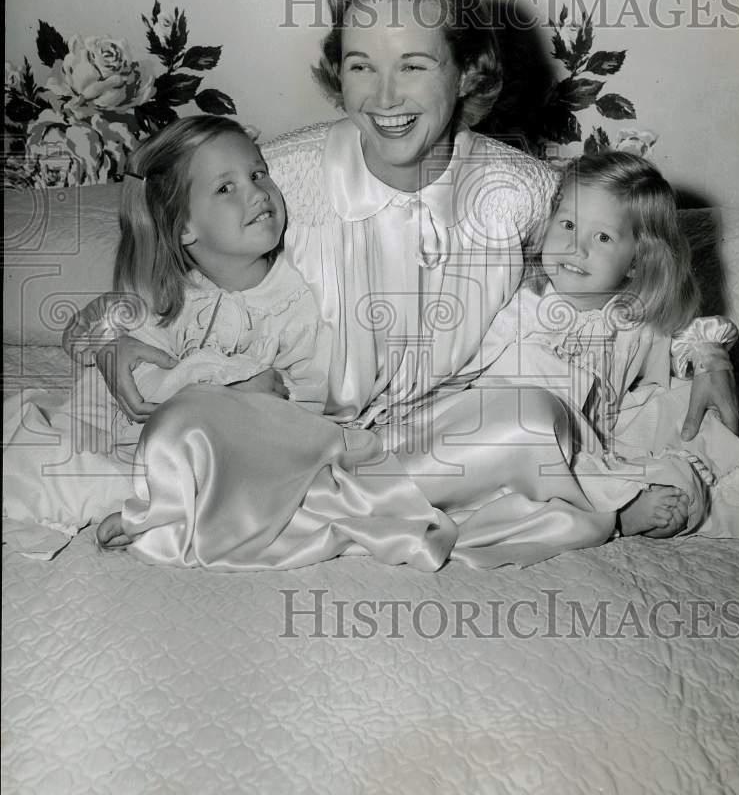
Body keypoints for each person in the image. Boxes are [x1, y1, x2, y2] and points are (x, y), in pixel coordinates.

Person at [63, 0, 739, 570]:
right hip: (296, 434)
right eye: (361, 65)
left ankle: (295, 507)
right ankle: (378, 503)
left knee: (534, 421)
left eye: (413, 66)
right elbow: (163, 259)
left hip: (440, 440)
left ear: (467, 71)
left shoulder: (522, 191)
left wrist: (706, 350)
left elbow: (633, 257)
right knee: (188, 423)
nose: (384, 98)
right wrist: (108, 341)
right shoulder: (284, 176)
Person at [7, 115, 453, 569]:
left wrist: (247, 400)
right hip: (133, 444)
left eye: (258, 174)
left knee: (215, 441)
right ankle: (132, 493)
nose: (257, 192)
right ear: (184, 229)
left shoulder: (294, 301)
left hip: (231, 453)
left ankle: (162, 506)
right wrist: (110, 348)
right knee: (52, 435)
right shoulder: (169, 294)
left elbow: (313, 408)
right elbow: (82, 339)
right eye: (226, 188)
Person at [480, 152, 739, 540]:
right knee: (526, 441)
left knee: (684, 408)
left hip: (606, 429)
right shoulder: (524, 305)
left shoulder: (632, 314)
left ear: (637, 260)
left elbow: (687, 335)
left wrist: (710, 357)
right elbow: (471, 364)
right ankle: (618, 513)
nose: (575, 247)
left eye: (602, 237)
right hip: (536, 438)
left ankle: (650, 487)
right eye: (567, 224)